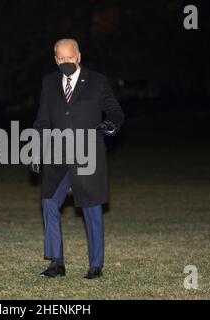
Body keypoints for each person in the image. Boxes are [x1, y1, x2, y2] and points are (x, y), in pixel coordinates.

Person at [31, 38, 125, 279]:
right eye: (60, 58)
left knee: (92, 209)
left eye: (69, 57)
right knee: (49, 203)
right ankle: (56, 263)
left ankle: (95, 266)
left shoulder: (96, 81)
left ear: (78, 56)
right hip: (58, 157)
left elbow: (114, 111)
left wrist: (110, 125)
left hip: (87, 156)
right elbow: (43, 120)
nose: (65, 61)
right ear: (55, 60)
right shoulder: (49, 83)